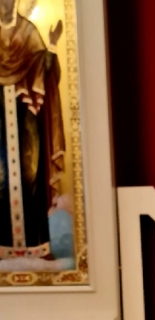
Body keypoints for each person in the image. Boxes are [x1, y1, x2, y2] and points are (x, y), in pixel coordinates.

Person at [0, 0, 66, 259]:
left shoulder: (28, 32)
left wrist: (52, 47)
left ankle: (34, 242)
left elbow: (44, 68)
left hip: (25, 115)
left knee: (30, 174)